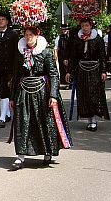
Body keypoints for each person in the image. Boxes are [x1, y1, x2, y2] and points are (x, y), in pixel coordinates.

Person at [9, 26, 72, 170]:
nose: (28, 37)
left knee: (44, 120)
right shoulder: (20, 54)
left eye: (31, 35)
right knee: (22, 122)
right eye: (26, 35)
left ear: (37, 36)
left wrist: (53, 95)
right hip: (23, 91)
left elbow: (53, 74)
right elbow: (16, 76)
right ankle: (20, 156)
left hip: (42, 91)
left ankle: (47, 152)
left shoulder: (46, 52)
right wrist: (12, 97)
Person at [65, 18, 109, 131]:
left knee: (94, 94)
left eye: (87, 26)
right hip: (82, 70)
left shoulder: (97, 39)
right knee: (84, 95)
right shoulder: (77, 40)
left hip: (95, 69)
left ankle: (94, 119)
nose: (85, 28)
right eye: (83, 26)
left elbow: (102, 56)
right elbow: (73, 57)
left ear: (91, 26)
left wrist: (103, 71)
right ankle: (89, 119)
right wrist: (69, 71)